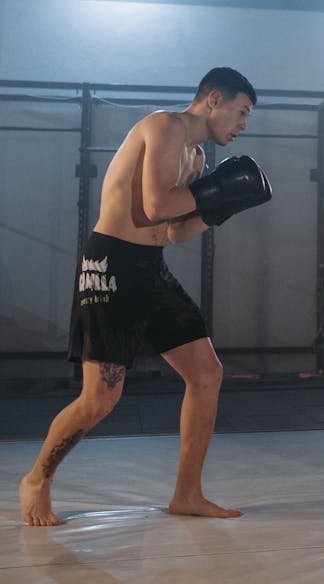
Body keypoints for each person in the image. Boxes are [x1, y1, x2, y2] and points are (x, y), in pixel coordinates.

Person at [19, 67, 271, 526]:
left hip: (150, 269)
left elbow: (175, 232)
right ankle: (37, 478)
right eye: (242, 112)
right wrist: (215, 191)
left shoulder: (196, 158)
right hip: (111, 264)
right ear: (214, 98)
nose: (243, 125)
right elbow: (154, 205)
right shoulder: (163, 126)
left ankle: (187, 494)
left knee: (206, 373)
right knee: (101, 399)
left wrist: (224, 207)